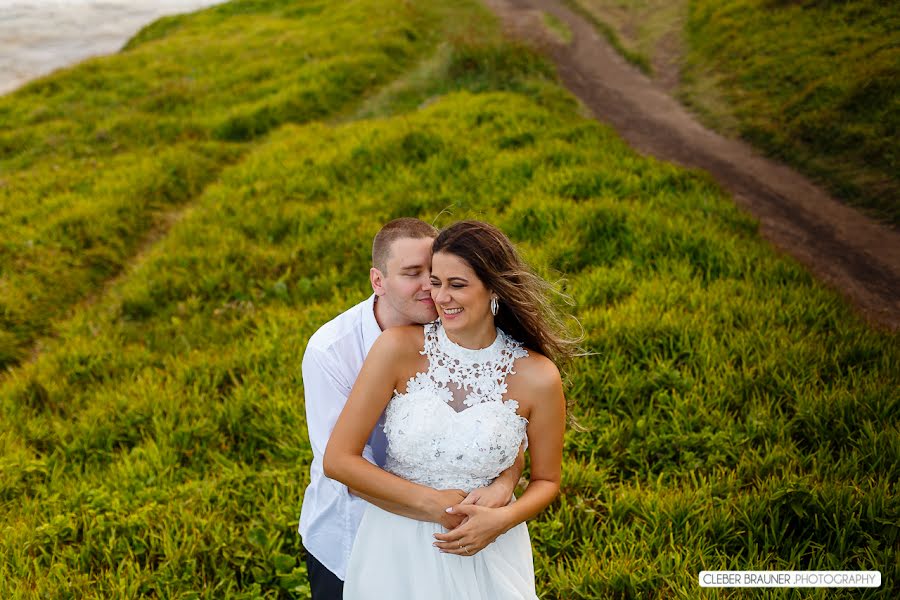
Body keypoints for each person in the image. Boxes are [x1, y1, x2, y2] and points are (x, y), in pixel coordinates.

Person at [324, 220, 575, 599]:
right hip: (394, 548)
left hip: (487, 549)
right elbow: (338, 460)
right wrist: (432, 504)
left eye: (457, 285)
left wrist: (503, 518)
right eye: (436, 282)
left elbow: (547, 481)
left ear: (493, 288)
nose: (441, 297)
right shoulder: (397, 349)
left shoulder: (539, 377)